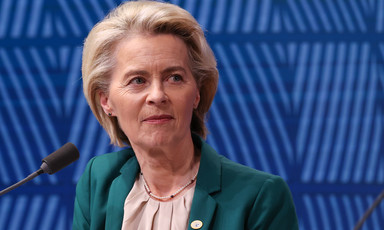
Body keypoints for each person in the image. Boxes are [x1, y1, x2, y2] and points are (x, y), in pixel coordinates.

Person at [73, 1, 299, 229]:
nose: (157, 96)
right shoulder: (99, 181)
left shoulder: (259, 197)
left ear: (197, 93)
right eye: (138, 81)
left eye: (175, 78)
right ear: (106, 101)